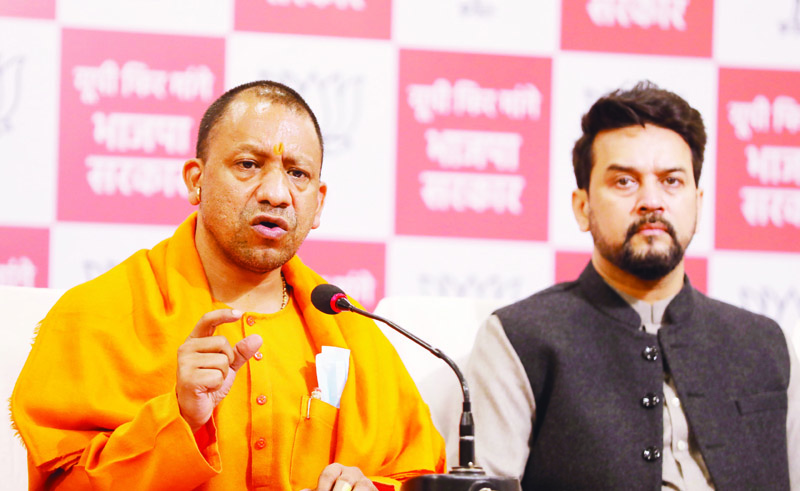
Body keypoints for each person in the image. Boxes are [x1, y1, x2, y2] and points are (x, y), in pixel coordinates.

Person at [12, 80, 445, 490]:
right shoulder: (99, 315)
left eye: (297, 174)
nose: (276, 193)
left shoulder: (351, 329)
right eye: (248, 165)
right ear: (196, 180)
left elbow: (420, 475)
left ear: (318, 203)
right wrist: (178, 418)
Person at [447, 81, 800, 489]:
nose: (652, 200)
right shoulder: (519, 340)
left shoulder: (764, 344)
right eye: (624, 182)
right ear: (583, 208)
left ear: (698, 203)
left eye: (672, 181)